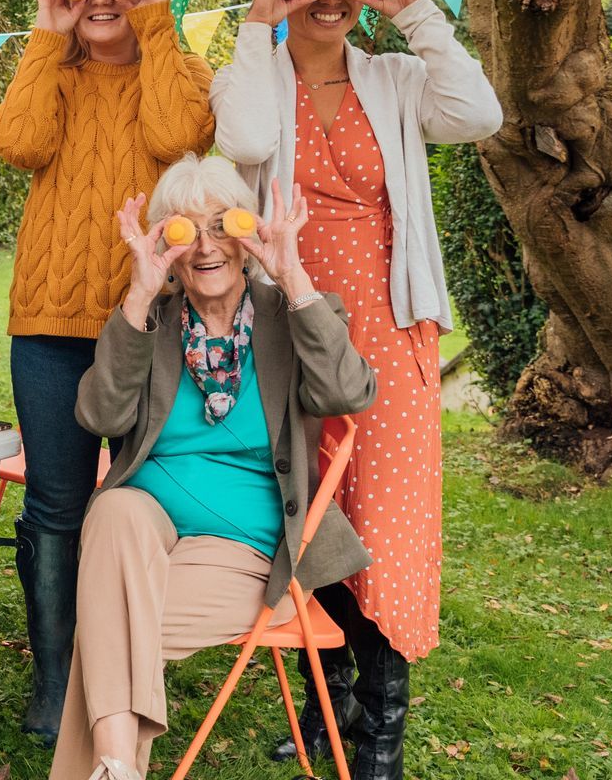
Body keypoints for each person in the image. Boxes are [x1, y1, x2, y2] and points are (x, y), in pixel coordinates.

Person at [211, 0, 500, 780]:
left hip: (388, 327)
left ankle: (379, 734)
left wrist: (412, 7)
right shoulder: (252, 75)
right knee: (315, 510)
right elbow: (249, 138)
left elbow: (479, 113)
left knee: (390, 520)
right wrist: (264, 26)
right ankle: (328, 704)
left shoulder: (393, 78)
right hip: (292, 330)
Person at [50, 155, 376, 780]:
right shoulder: (155, 321)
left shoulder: (293, 317)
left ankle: (112, 766)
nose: (205, 247)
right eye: (184, 229)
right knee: (115, 509)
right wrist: (142, 293)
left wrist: (294, 275)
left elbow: (348, 392)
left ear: (246, 234)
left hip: (247, 549)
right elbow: (100, 415)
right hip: (144, 531)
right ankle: (118, 768)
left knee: (106, 620)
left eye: (221, 226)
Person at [0, 0, 214, 740]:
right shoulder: (53, 67)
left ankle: (117, 670)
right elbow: (18, 143)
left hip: (148, 322)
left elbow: (174, 137)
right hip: (49, 321)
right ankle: (55, 684)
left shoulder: (177, 68)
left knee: (136, 498)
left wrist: (159, 29)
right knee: (55, 504)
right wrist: (48, 36)